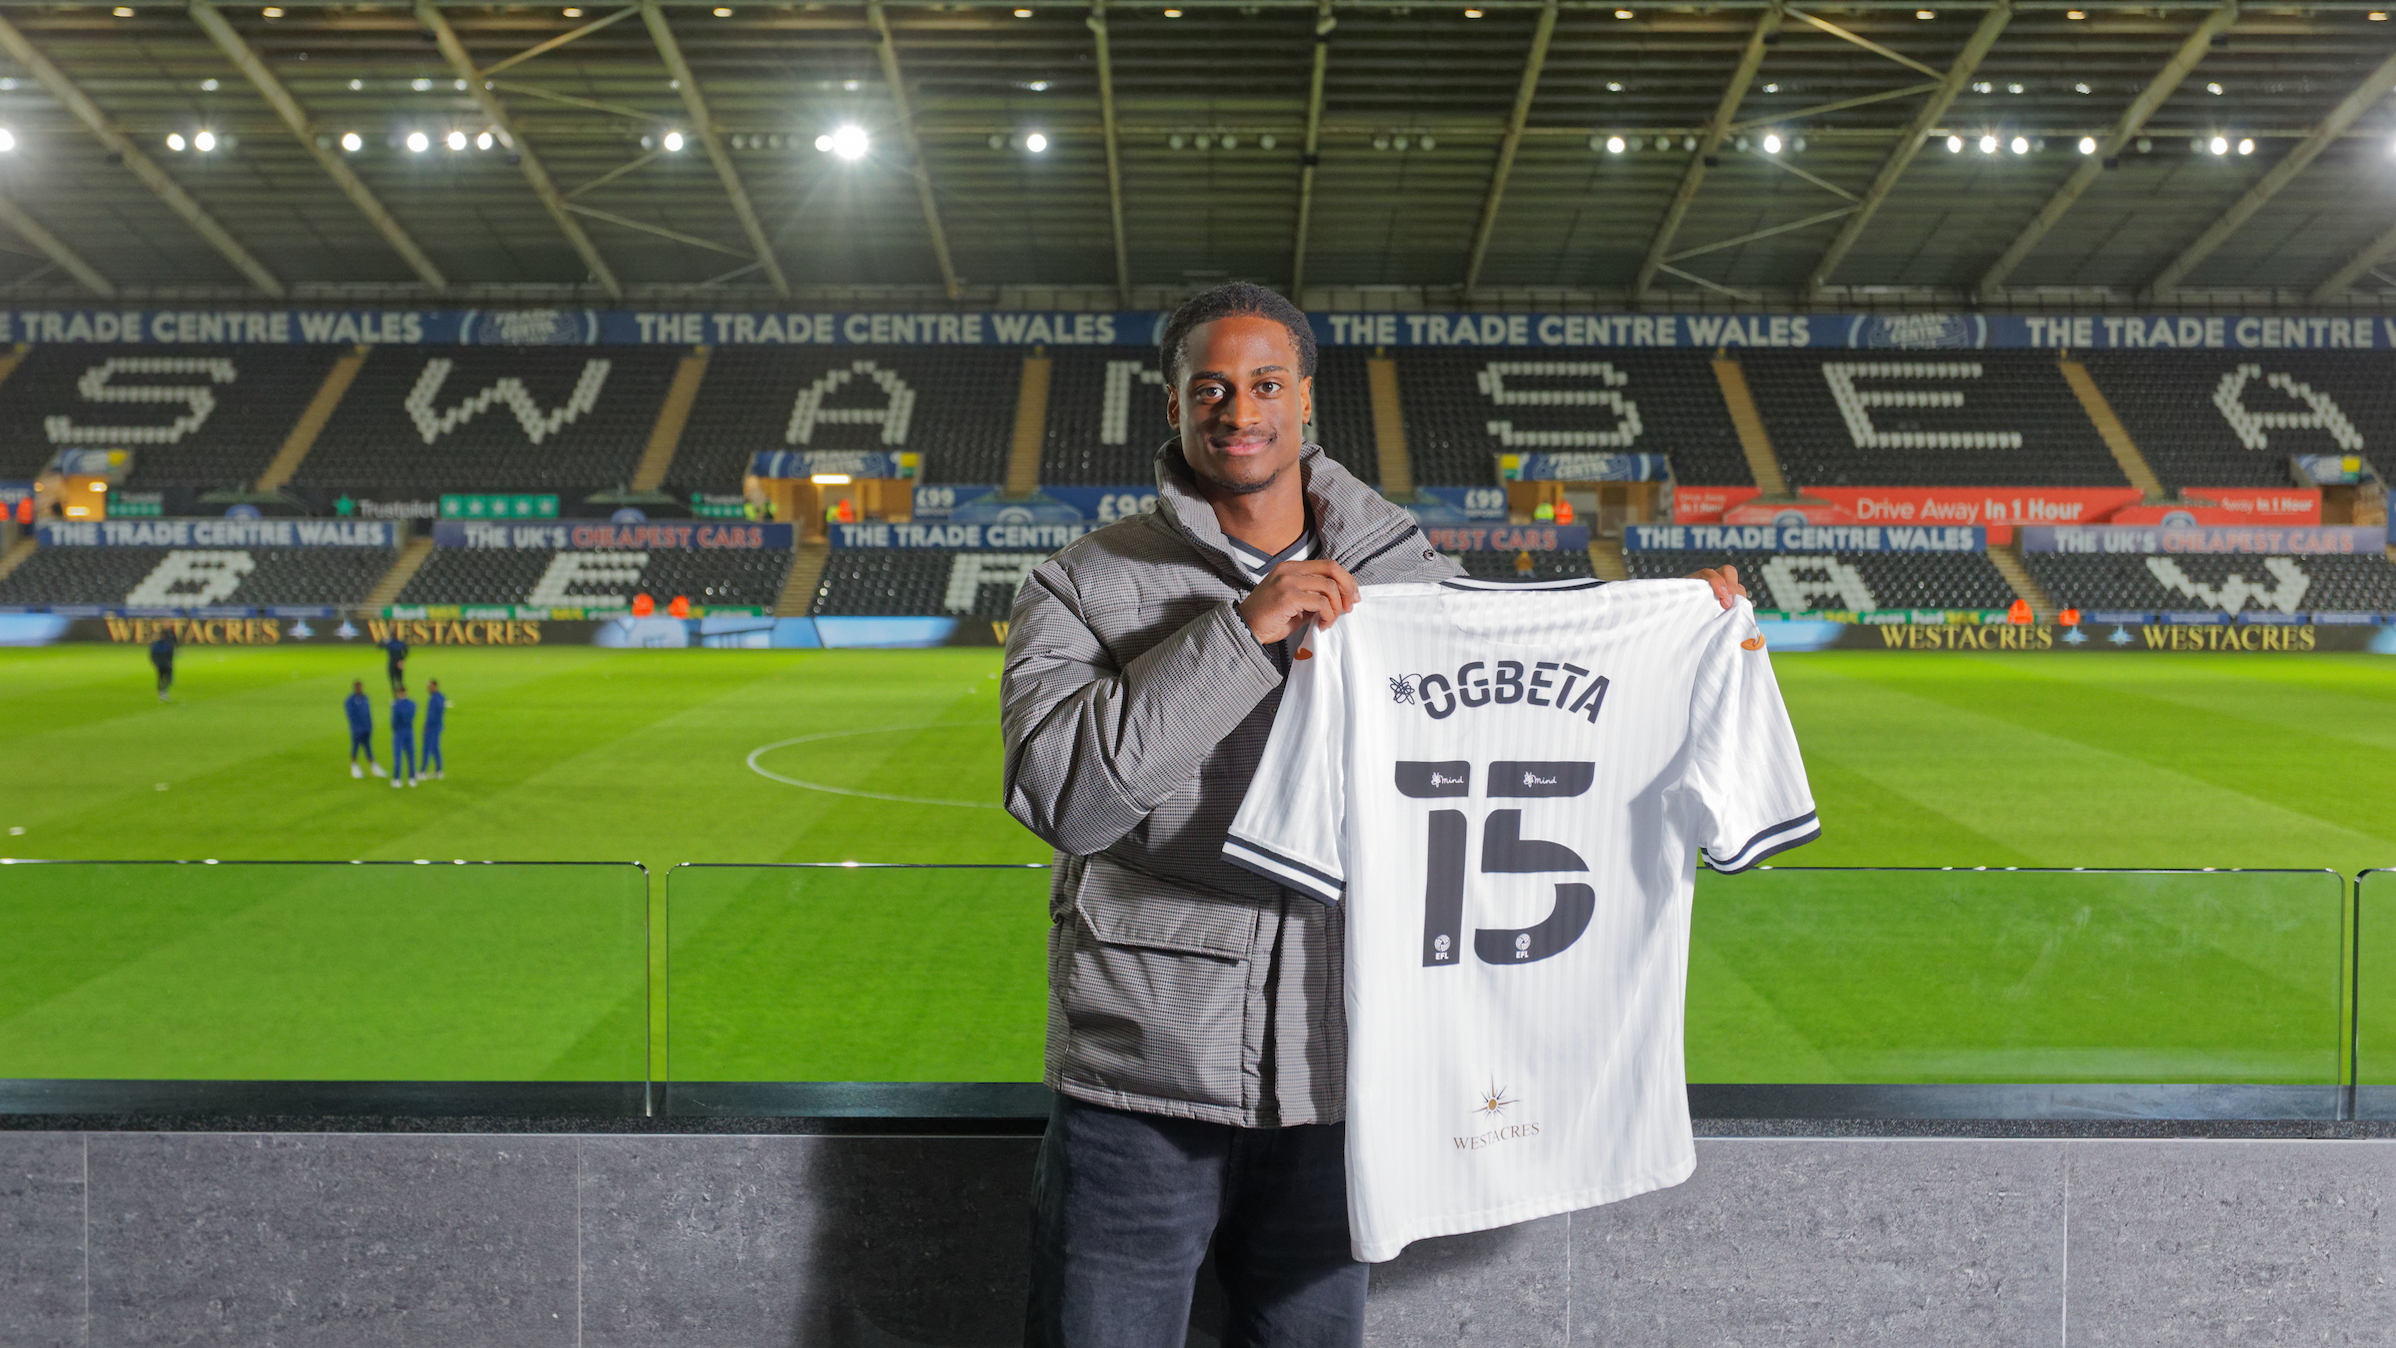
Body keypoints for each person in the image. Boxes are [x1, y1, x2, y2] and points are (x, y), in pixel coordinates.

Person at [1000, 283, 1746, 1346]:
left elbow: (1520, 715)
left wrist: (1679, 636)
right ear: (1169, 405)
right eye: (1208, 386)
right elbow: (1063, 796)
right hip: (1143, 1071)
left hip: (1344, 1067)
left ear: (1305, 401)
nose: (1237, 409)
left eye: (1264, 383)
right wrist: (1242, 631)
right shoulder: (1081, 582)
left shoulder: (1408, 574)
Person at [345, 680, 383, 778]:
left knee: (368, 747)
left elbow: (368, 713)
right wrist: (356, 728)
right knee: (355, 747)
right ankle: (354, 767)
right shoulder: (350, 701)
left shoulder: (365, 698)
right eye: (358, 687)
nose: (360, 689)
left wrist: (370, 726)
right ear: (354, 688)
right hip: (357, 729)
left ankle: (373, 767)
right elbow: (350, 716)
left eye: (361, 687)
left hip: (367, 728)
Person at [389, 686, 417, 787]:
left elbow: (394, 721)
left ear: (398, 693)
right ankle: (412, 778)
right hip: (409, 730)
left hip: (399, 732)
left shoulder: (396, 706)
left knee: (398, 756)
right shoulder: (412, 704)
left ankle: (397, 779)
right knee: (411, 755)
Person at [422, 679, 447, 780]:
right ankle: (438, 771)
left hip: (432, 728)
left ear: (434, 686)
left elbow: (431, 716)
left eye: (429, 686)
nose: (427, 688)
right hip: (438, 726)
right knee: (435, 748)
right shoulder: (441, 697)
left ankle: (422, 772)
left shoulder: (434, 699)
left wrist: (426, 727)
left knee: (427, 748)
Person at [148, 629, 176, 702]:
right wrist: (170, 662)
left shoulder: (154, 644)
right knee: (169, 678)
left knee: (161, 677)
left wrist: (154, 663)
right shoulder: (168, 644)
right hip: (166, 663)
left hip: (159, 663)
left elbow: (151, 655)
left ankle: (161, 691)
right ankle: (163, 691)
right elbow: (171, 654)